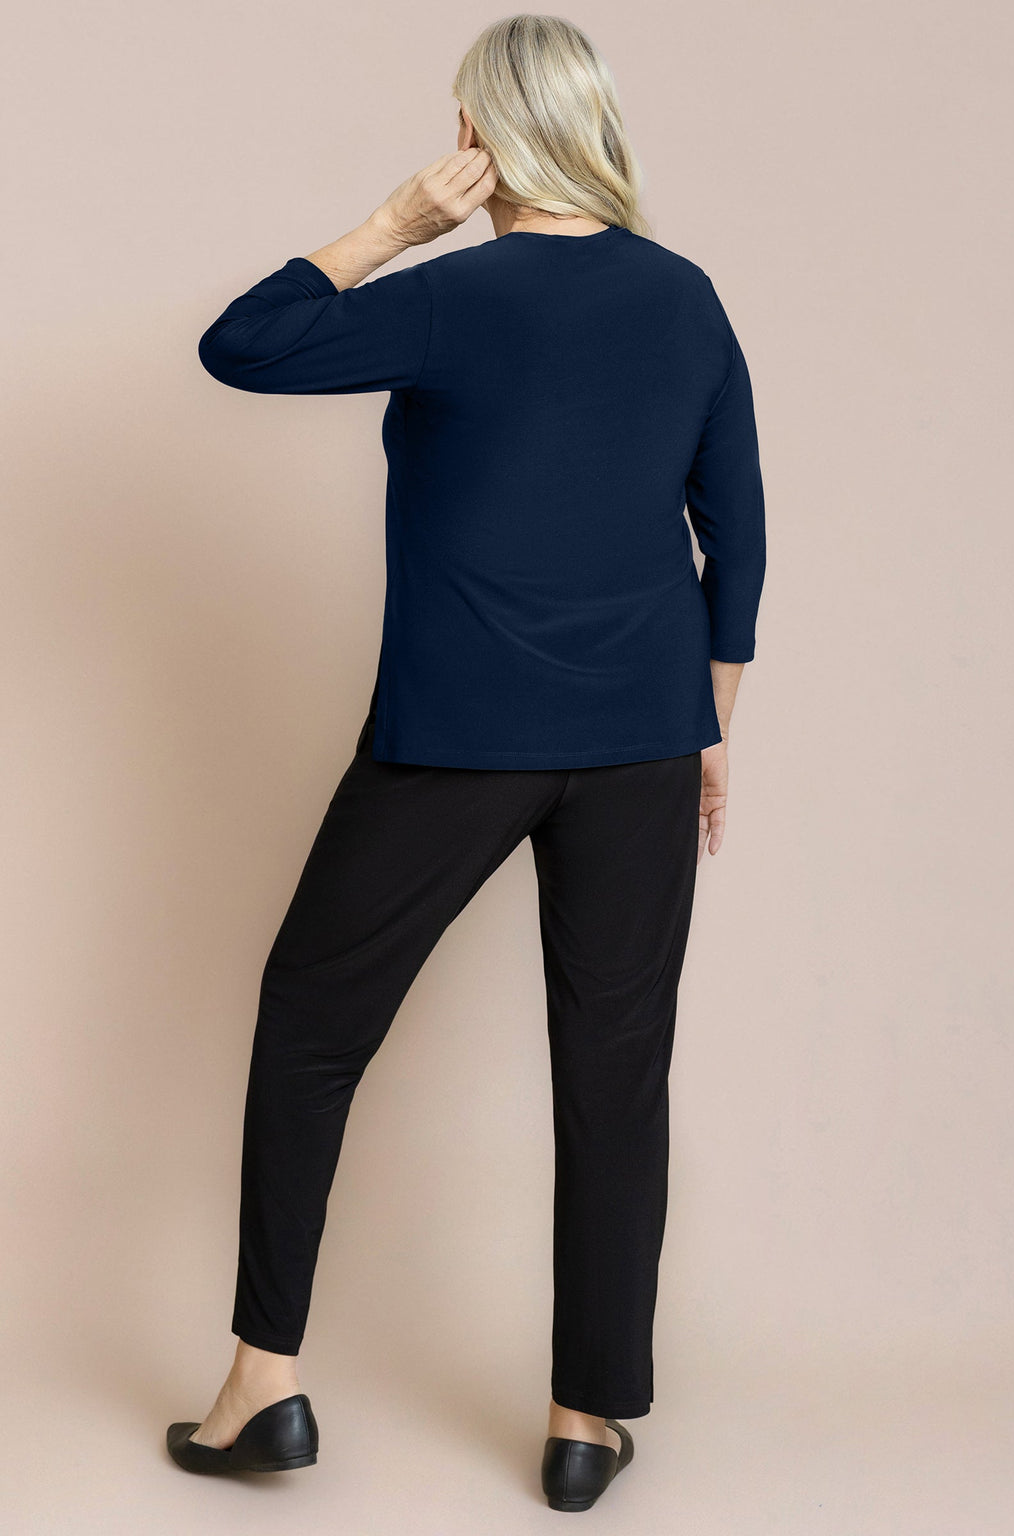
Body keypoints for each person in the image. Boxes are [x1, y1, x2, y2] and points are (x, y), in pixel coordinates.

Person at [167, 13, 765, 1513]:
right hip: (642, 737)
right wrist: (708, 728)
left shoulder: (452, 298)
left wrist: (389, 225)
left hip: (459, 740)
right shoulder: (685, 297)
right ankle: (585, 1422)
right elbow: (738, 535)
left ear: (483, 139)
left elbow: (243, 344)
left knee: (311, 1023)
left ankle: (263, 1386)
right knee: (616, 1069)